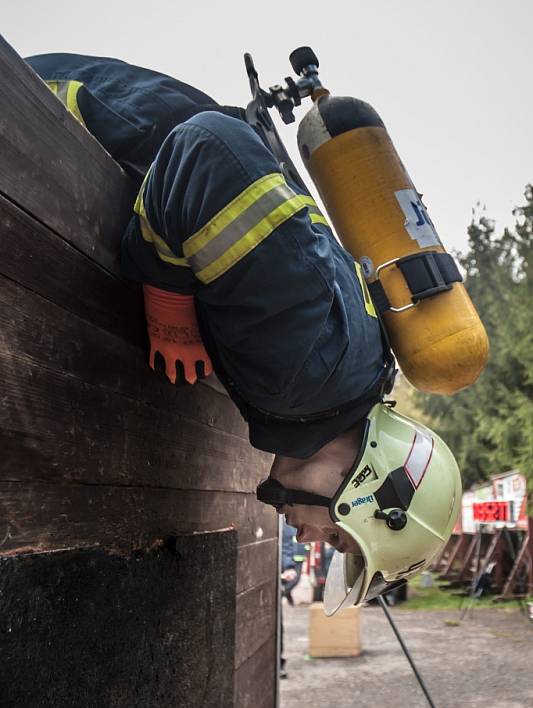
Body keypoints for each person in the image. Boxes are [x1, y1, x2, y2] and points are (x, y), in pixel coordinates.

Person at [25, 54, 461, 610]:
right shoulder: (302, 373)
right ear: (368, 488)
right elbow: (207, 146)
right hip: (49, 115)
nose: (307, 541)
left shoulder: (336, 379)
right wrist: (169, 302)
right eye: (335, 537)